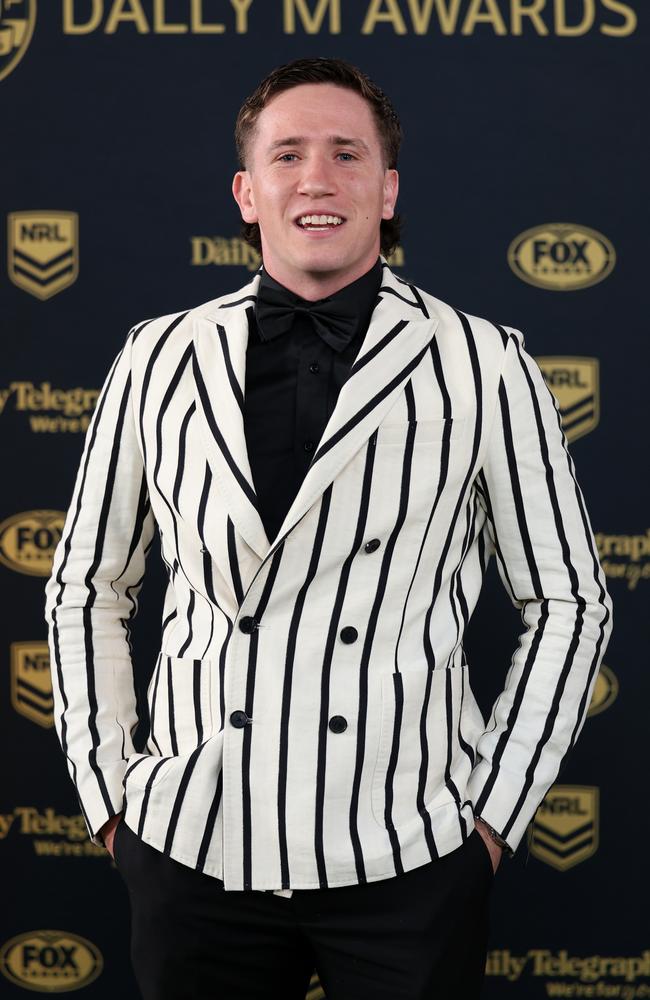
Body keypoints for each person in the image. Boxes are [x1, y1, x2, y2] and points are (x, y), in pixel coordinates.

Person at [44, 56, 613, 1000]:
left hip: (410, 852)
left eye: (348, 155)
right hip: (194, 847)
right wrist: (111, 796)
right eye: (288, 155)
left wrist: (495, 816)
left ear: (387, 191)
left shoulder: (486, 363)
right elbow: (84, 585)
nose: (317, 179)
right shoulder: (157, 356)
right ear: (245, 191)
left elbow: (568, 599)